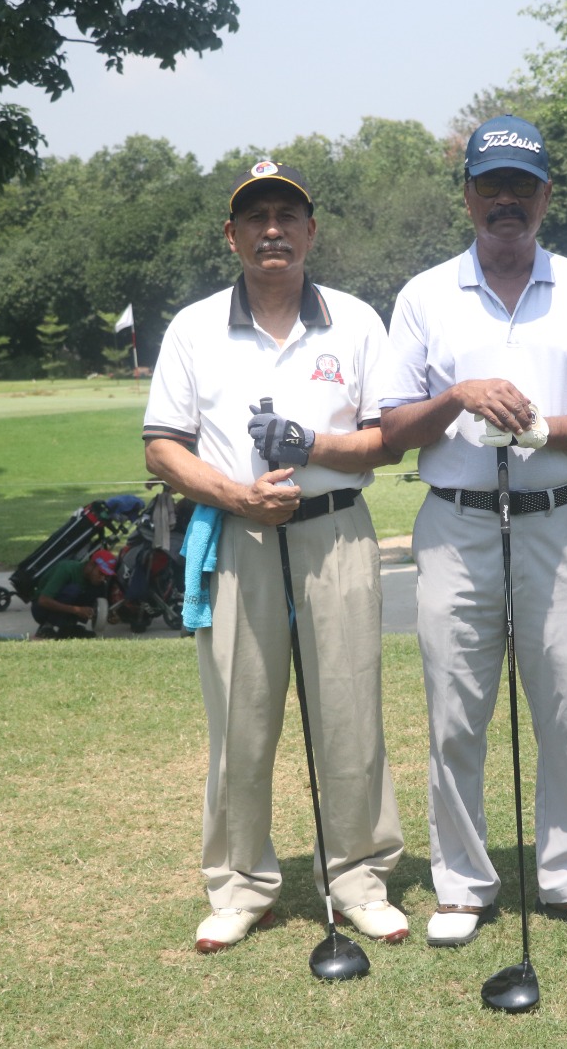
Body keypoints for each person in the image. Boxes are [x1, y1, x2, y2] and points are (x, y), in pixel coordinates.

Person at [379, 116, 567, 946]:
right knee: (457, 711)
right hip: (457, 526)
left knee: (565, 705)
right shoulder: (424, 295)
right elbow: (393, 429)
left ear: (546, 196)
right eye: (491, 185)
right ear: (467, 196)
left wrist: (543, 430)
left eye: (521, 187)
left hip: (560, 522)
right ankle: (461, 886)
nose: (506, 201)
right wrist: (458, 396)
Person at [142, 161, 406, 952]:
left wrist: (316, 446)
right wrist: (235, 495)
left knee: (350, 716)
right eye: (255, 218)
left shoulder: (356, 320)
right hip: (240, 536)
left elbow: (387, 440)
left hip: (337, 532)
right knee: (241, 720)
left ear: (311, 231)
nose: (272, 231)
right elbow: (162, 447)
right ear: (231, 236)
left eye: (287, 216)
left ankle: (357, 877)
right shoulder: (194, 327)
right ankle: (239, 885)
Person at [30, 548, 116, 639]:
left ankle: (68, 627)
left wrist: (107, 615)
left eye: (106, 576)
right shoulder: (66, 569)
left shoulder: (98, 583)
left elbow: (100, 606)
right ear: (91, 565)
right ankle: (47, 627)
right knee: (73, 590)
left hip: (63, 607)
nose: (102, 578)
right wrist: (77, 610)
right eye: (100, 573)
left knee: (96, 589)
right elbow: (43, 600)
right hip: (41, 609)